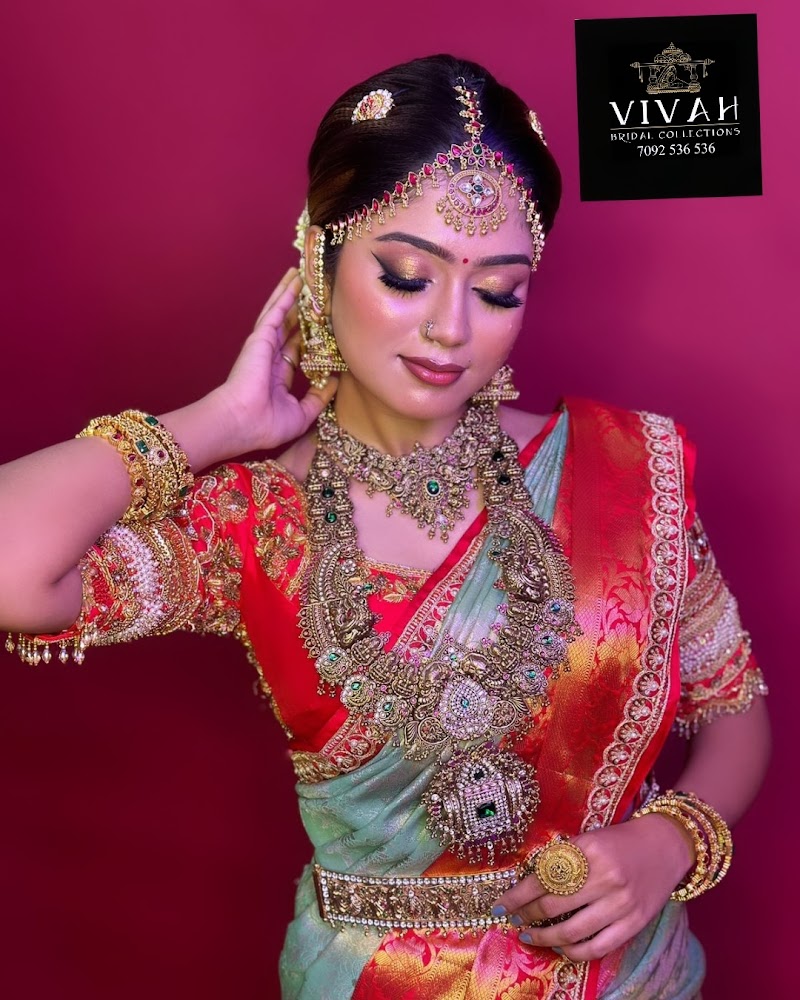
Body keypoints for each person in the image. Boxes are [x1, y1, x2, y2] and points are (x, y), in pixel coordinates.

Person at [0, 54, 769, 1000]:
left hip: (629, 979)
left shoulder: (625, 471)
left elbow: (735, 712)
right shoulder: (255, 520)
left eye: (498, 290)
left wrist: (671, 840)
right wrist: (216, 423)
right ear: (318, 256)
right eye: (407, 276)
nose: (452, 329)